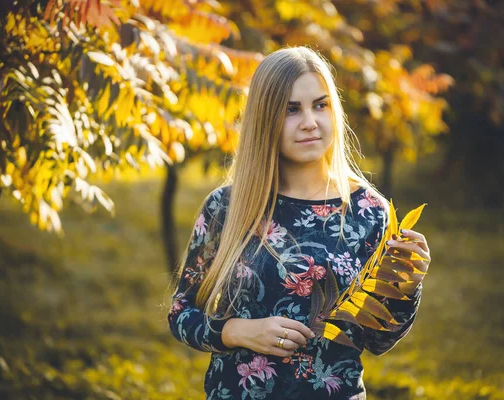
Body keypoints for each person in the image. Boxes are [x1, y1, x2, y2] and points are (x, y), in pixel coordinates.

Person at [167, 46, 431, 399]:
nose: (310, 121)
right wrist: (237, 331)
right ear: (265, 118)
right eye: (292, 110)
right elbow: (181, 313)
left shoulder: (368, 212)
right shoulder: (227, 208)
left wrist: (408, 286)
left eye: (320, 105)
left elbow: (380, 340)